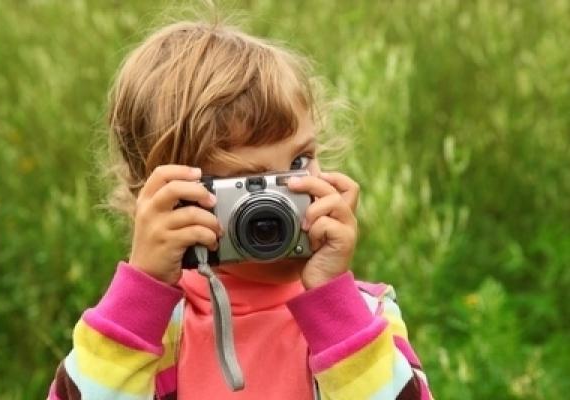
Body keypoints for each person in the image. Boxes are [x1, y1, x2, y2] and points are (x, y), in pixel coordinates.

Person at [47, 18, 433, 400]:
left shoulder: (362, 316)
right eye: (248, 183)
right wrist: (139, 297)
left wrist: (335, 309)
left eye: (299, 162)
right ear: (170, 199)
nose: (280, 202)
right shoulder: (149, 331)